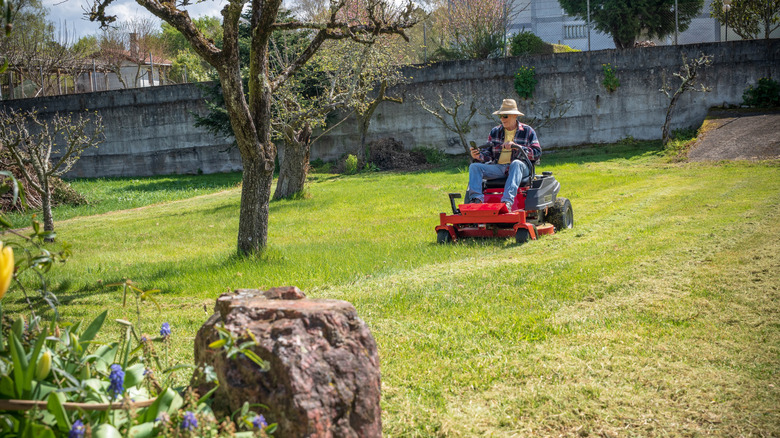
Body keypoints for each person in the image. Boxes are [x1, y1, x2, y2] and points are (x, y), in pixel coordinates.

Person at [467, 98, 541, 209]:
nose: (502, 118)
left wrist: (518, 147)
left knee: (516, 163)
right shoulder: (495, 131)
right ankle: (476, 200)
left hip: (521, 168)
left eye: (505, 116)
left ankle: (507, 202)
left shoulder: (528, 131)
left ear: (514, 116)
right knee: (474, 167)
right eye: (500, 116)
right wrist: (479, 156)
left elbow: (537, 152)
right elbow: (488, 154)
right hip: (499, 168)